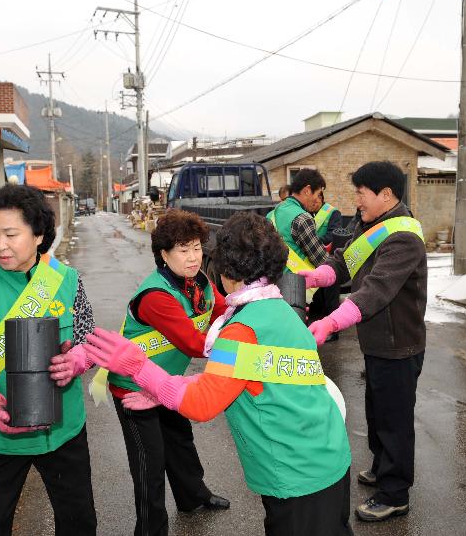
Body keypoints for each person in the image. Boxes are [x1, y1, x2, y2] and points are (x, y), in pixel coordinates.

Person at [84, 212, 353, 536]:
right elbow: (241, 375)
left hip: (296, 473)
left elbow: (202, 403)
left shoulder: (240, 329)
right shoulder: (277, 308)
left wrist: (138, 367)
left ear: (226, 269)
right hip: (328, 456)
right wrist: (167, 387)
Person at [0, 184, 97, 535]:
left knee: (79, 523)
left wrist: (78, 358)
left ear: (38, 233)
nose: (0, 245)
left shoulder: (67, 281)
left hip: (64, 431)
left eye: (11, 234)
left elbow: (87, 338)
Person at [298, 161, 427, 522]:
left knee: (395, 418)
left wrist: (331, 321)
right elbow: (345, 261)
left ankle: (395, 492)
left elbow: (375, 291)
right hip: (377, 342)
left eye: (361, 193)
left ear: (386, 194)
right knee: (376, 410)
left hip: (399, 344)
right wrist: (320, 275)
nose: (356, 200)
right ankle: (382, 464)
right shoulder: (371, 224)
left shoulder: (403, 237)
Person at [106, 209, 230, 536]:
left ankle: (193, 496)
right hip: (133, 388)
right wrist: (238, 351)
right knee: (150, 462)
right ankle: (151, 529)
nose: (193, 257)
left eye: (197, 248)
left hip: (165, 383)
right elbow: (192, 343)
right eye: (183, 250)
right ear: (164, 254)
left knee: (180, 441)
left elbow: (224, 310)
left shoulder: (198, 281)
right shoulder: (155, 296)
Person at [267, 168, 329, 275]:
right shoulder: (303, 218)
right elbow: (321, 260)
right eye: (318, 194)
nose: (317, 199)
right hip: (297, 286)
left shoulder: (271, 214)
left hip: (272, 284)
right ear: (307, 190)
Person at [309, 193, 343, 335]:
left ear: (321, 197)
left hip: (328, 259)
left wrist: (313, 239)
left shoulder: (332, 213)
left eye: (315, 200)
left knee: (330, 297)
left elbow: (332, 235)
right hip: (311, 260)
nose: (312, 203)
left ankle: (333, 331)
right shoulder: (307, 213)